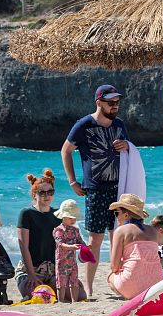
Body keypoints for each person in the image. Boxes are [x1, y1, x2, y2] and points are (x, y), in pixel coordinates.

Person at [61, 84, 130, 297]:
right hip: (96, 189)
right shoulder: (84, 124)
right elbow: (66, 151)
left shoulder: (119, 124)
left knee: (118, 237)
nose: (115, 106)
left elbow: (130, 151)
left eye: (117, 102)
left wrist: (126, 146)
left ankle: (118, 282)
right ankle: (89, 287)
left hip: (119, 188)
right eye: (110, 103)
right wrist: (72, 181)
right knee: (94, 240)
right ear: (99, 102)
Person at [15, 168, 86, 301]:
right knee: (42, 297)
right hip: (30, 270)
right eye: (42, 192)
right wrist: (31, 275)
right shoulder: (26, 214)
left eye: (50, 192)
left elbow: (70, 241)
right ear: (34, 194)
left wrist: (84, 250)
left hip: (54, 270)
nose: (46, 196)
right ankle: (31, 289)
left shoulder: (58, 215)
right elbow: (24, 247)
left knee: (80, 296)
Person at [106, 194, 163, 299]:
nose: (116, 217)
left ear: (126, 215)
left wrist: (122, 266)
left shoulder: (121, 231)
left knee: (110, 277)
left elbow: (114, 266)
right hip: (156, 284)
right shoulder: (154, 231)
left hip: (132, 282)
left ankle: (131, 297)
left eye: (117, 213)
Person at [53, 199, 84, 303]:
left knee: (74, 281)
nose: (73, 220)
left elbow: (80, 241)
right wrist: (72, 247)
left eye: (74, 218)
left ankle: (74, 301)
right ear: (63, 216)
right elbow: (60, 244)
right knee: (61, 282)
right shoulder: (59, 230)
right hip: (61, 261)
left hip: (72, 262)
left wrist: (86, 246)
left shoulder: (75, 230)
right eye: (70, 218)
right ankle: (61, 300)